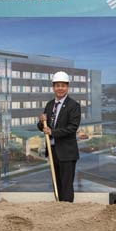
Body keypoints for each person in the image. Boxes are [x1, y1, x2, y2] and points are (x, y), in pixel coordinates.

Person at [37, 71, 80, 202]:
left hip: (67, 152)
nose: (60, 88)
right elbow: (44, 127)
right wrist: (41, 122)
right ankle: (59, 207)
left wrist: (53, 132)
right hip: (53, 150)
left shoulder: (73, 105)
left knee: (66, 185)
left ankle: (67, 210)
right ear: (53, 87)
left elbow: (72, 128)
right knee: (57, 183)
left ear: (67, 87)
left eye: (63, 85)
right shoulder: (50, 105)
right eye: (57, 85)